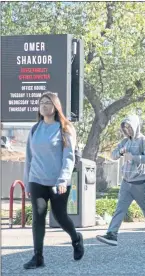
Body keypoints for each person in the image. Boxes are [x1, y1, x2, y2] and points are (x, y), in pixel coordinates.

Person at [23, 92, 84, 269]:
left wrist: (63, 179)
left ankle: (76, 238)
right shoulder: (35, 129)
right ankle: (38, 257)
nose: (43, 105)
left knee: (60, 216)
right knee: (38, 215)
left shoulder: (64, 128)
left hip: (58, 181)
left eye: (47, 102)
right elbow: (28, 157)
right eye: (41, 102)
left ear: (55, 106)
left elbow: (69, 157)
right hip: (37, 179)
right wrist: (27, 181)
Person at [96, 114, 145, 245]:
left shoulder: (143, 140)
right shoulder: (124, 142)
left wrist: (134, 157)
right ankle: (112, 235)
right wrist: (120, 153)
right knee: (120, 208)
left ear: (135, 126)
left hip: (140, 182)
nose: (127, 130)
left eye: (129, 127)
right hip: (126, 182)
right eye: (125, 128)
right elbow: (113, 155)